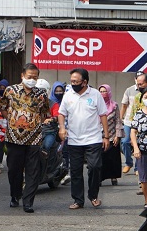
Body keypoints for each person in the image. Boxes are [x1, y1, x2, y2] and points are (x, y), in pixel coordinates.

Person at [0, 63, 50, 213]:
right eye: (29, 77)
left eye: (35, 77)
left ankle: (28, 202)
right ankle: (15, 195)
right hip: (14, 138)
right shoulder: (10, 91)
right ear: (22, 76)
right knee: (14, 169)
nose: (32, 80)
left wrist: (33, 124)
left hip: (34, 138)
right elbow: (2, 108)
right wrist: (13, 121)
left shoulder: (41, 94)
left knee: (33, 171)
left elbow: (44, 113)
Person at [58, 68, 110, 210]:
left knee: (95, 167)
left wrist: (106, 136)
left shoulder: (95, 95)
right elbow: (61, 113)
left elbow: (103, 115)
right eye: (72, 81)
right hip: (74, 139)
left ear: (85, 82)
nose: (73, 83)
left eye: (76, 81)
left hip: (93, 138)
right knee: (75, 171)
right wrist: (62, 127)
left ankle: (93, 196)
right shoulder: (68, 95)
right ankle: (78, 200)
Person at [119, 71, 143, 175]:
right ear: (135, 79)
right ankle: (128, 162)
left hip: (142, 122)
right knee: (125, 142)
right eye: (137, 79)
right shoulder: (129, 90)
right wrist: (120, 119)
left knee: (139, 144)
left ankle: (138, 167)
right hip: (129, 121)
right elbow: (124, 105)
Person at [98, 84, 123, 186]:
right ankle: (99, 178)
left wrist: (118, 135)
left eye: (105, 91)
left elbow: (118, 120)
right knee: (100, 158)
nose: (103, 93)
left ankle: (113, 177)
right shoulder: (97, 105)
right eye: (101, 91)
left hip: (112, 135)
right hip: (99, 136)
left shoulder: (114, 105)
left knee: (113, 158)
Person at [36, 79, 57, 156]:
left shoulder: (53, 104)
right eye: (38, 90)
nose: (40, 93)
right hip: (34, 131)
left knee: (46, 146)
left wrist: (51, 119)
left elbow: (56, 116)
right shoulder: (31, 104)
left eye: (43, 90)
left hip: (49, 131)